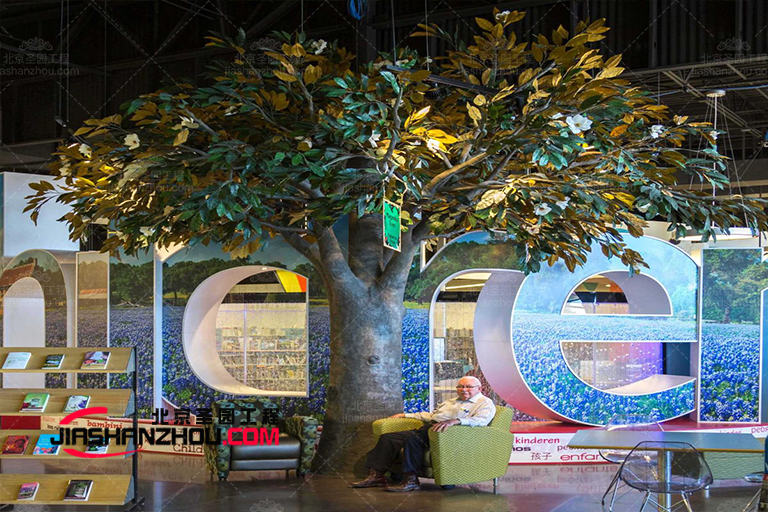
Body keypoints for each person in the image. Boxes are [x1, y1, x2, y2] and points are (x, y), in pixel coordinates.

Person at [350, 375, 496, 492]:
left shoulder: (484, 403)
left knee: (412, 439)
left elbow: (481, 421)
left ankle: (411, 480)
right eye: (460, 386)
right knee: (388, 437)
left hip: (449, 434)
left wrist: (456, 421)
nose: (464, 390)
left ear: (479, 388)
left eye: (469, 387)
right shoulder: (451, 401)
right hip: (429, 428)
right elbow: (431, 416)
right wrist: (404, 415)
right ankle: (377, 475)